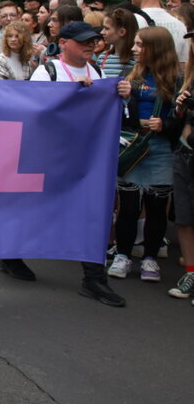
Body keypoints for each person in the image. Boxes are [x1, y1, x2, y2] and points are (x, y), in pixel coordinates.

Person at [22, 21, 125, 306]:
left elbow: (114, 114)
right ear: (64, 43)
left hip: (89, 158)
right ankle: (10, 255)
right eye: (83, 41)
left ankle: (94, 278)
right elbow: (34, 111)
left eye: (93, 41)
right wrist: (71, 94)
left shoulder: (99, 72)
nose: (90, 46)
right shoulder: (48, 71)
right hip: (51, 157)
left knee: (90, 212)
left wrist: (120, 94)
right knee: (36, 209)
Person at [110, 26, 180, 283]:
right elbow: (115, 113)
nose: (133, 49)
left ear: (155, 48)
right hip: (133, 145)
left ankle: (150, 256)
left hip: (161, 148)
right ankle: (123, 254)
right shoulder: (130, 73)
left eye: (140, 45)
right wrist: (126, 100)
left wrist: (165, 125)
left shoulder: (177, 79)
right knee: (127, 205)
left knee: (157, 206)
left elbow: (182, 121)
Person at [169, 33, 194, 304]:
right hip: (183, 152)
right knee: (185, 219)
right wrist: (178, 108)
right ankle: (191, 272)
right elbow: (176, 120)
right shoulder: (186, 77)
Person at [123, 0, 188, 64]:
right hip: (170, 78)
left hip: (139, 77)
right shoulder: (179, 23)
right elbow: (183, 64)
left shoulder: (131, 21)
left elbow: (120, 58)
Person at [98, 7, 139, 79]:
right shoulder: (103, 57)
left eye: (106, 28)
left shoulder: (137, 60)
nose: (102, 32)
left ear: (122, 32)